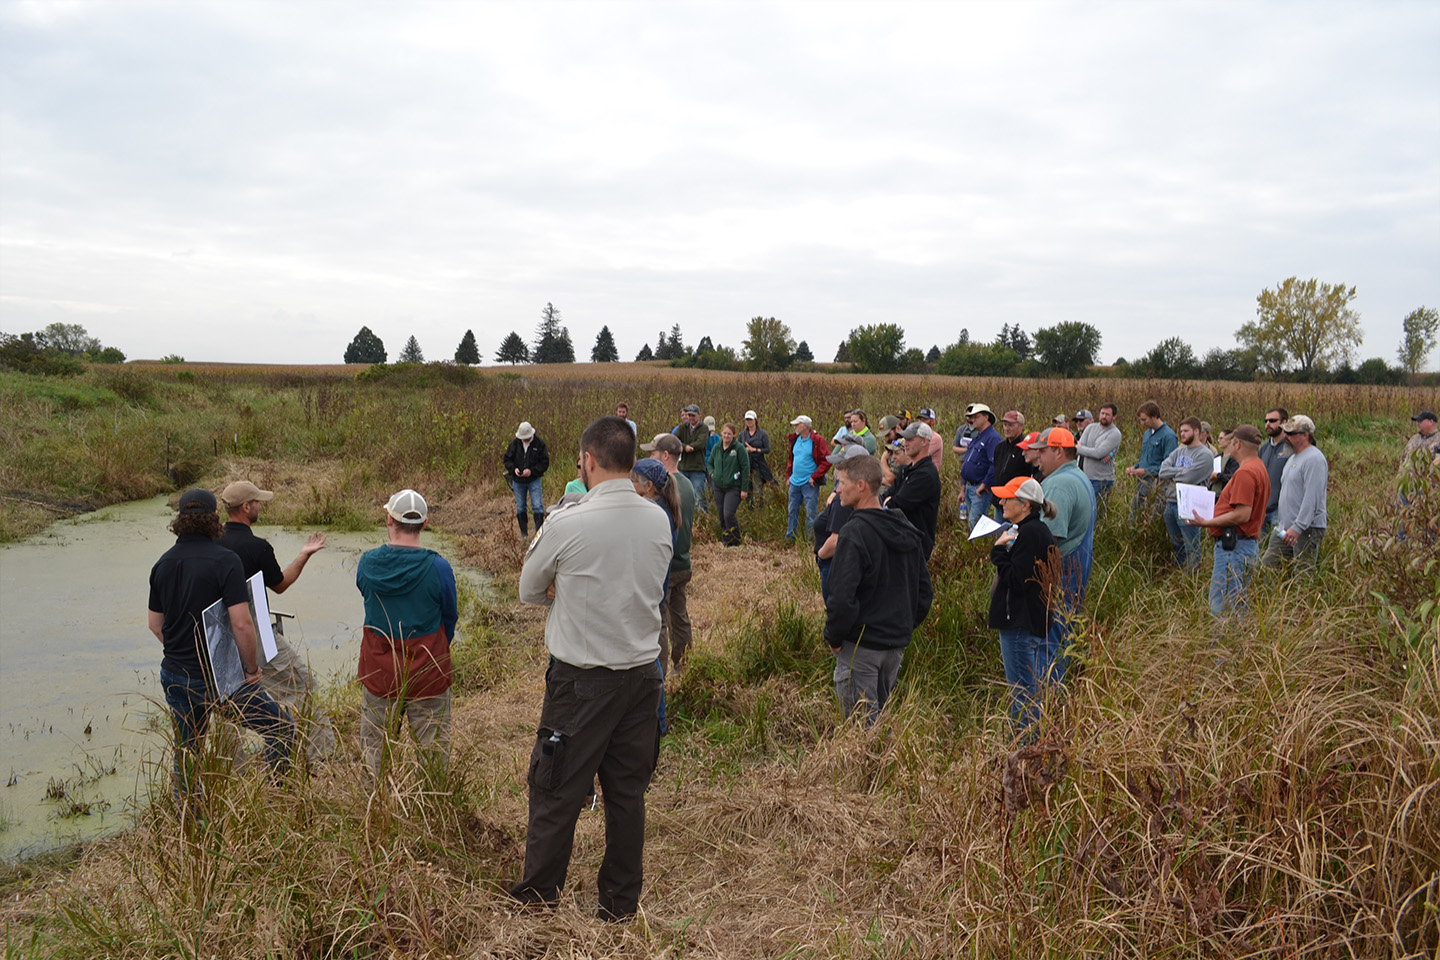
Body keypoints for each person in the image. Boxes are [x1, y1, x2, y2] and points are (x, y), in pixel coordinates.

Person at [512, 416, 671, 922]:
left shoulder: (567, 521)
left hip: (582, 683)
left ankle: (539, 897)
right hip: (644, 677)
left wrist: (569, 590)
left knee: (556, 789)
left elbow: (529, 589)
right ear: (630, 462)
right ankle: (619, 905)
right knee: (627, 795)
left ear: (588, 460)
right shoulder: (657, 518)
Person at [148, 488, 295, 804]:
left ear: (179, 521)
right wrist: (252, 669)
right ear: (215, 517)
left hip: (175, 674)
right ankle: (277, 797)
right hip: (222, 677)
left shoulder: (162, 564)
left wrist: (180, 651)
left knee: (188, 751)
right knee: (280, 728)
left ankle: (190, 818)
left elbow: (155, 625)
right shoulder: (225, 561)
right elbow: (242, 624)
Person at [217, 480, 333, 758]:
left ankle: (231, 767)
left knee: (229, 707)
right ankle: (319, 755)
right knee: (303, 685)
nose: (260, 506)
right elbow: (280, 584)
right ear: (246, 507)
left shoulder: (212, 543)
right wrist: (304, 555)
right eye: (257, 502)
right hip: (258, 638)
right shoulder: (257, 547)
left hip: (220, 643)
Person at [355, 489, 458, 779]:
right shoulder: (439, 567)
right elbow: (449, 616)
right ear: (425, 523)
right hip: (428, 671)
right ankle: (434, 810)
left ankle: (374, 812)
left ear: (389, 519)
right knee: (433, 752)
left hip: (379, 673)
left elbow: (366, 594)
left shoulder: (367, 563)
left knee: (374, 750)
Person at [823, 455, 932, 726]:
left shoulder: (854, 533)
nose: (837, 490)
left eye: (841, 483)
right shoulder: (904, 527)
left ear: (861, 486)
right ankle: (886, 769)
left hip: (861, 647)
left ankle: (868, 771)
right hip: (894, 646)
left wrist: (834, 638)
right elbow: (924, 592)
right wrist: (901, 628)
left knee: (859, 732)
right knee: (880, 725)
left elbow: (841, 597)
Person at [988, 476, 1060, 731]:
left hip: (1019, 623)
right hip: (1029, 620)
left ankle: (1022, 755)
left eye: (1008, 498)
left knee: (1022, 695)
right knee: (1032, 690)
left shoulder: (1030, 534)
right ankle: (1033, 751)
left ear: (1026, 505)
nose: (1001, 502)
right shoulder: (1032, 531)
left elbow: (1020, 581)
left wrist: (998, 553)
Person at [1186, 425, 1269, 622]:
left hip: (1234, 547)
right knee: (1238, 601)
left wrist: (1207, 522)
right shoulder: (1259, 467)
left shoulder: (1245, 473)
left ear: (1237, 444)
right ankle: (1237, 648)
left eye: (1231, 442)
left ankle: (1222, 651)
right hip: (1244, 545)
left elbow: (1242, 514)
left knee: (1223, 604)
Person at [1034, 428, 1096, 685]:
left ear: (1058, 451)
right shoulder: (1078, 476)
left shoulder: (1059, 484)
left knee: (1051, 635)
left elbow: (1048, 539)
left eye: (1042, 451)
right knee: (1065, 633)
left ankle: (1046, 699)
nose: (1037, 457)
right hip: (1076, 566)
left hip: (1062, 570)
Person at [640, 433, 696, 670]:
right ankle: (684, 664)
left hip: (667, 567)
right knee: (680, 617)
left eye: (653, 453)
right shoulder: (687, 484)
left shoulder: (664, 490)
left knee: (661, 621)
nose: (651, 457)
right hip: (683, 563)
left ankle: (659, 671)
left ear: (665, 456)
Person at [1260, 415, 1328, 571]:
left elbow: (1312, 498)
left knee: (1303, 572)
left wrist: (1298, 527)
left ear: (1305, 435)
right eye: (1285, 433)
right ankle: (1274, 596)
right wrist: (1283, 526)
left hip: (1306, 529)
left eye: (1291, 434)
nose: (1286, 437)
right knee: (1268, 568)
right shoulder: (1292, 458)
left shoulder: (1314, 459)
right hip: (1284, 528)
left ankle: (1303, 596)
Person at [814, 440, 869, 599]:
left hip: (834, 563)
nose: (837, 470)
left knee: (836, 608)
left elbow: (837, 539)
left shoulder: (843, 500)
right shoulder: (863, 496)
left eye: (841, 465)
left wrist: (821, 555)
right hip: (845, 563)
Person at [1158, 417, 1214, 569]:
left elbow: (1188, 478)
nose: (1182, 434)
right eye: (1181, 431)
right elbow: (1162, 471)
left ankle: (1192, 578)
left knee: (1191, 545)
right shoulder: (1179, 450)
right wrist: (1179, 471)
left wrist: (1175, 475)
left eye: (1186, 431)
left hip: (1191, 506)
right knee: (1177, 544)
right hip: (1171, 503)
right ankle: (1178, 573)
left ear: (1196, 431)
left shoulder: (1205, 455)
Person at [887, 421, 941, 558]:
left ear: (924, 442)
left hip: (916, 546)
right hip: (901, 541)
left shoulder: (926, 475)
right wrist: (888, 500)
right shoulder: (906, 470)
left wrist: (889, 501)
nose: (906, 443)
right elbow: (886, 496)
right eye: (905, 439)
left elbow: (895, 506)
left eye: (910, 439)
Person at [1126, 401, 1177, 520]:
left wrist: (1145, 471)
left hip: (1157, 488)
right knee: (1133, 517)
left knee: (1152, 520)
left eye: (1144, 420)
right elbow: (1146, 458)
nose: (1142, 423)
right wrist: (1135, 468)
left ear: (1154, 417)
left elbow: (1168, 466)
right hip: (1142, 486)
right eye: (1141, 420)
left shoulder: (1169, 436)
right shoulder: (1147, 434)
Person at [784, 415, 831, 541]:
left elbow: (827, 460)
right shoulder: (795, 440)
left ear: (805, 426)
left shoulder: (817, 440)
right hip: (794, 482)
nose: (795, 427)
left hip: (809, 484)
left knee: (811, 512)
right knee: (792, 510)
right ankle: (790, 537)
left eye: (797, 424)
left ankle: (810, 539)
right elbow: (791, 459)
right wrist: (789, 476)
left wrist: (814, 477)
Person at [960, 404, 1003, 529]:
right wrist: (963, 487)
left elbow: (994, 463)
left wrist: (984, 484)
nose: (973, 420)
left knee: (976, 524)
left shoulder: (993, 438)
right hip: (969, 487)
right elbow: (968, 461)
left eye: (976, 417)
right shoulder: (977, 437)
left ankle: (976, 548)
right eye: (972, 417)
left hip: (979, 489)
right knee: (970, 523)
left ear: (986, 417)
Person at [504, 421, 550, 538]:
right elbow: (507, 459)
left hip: (534, 480)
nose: (524, 440)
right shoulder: (515, 444)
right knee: (520, 507)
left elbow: (545, 462)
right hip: (518, 482)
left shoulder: (539, 444)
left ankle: (538, 535)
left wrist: (532, 471)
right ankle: (524, 535)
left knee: (537, 505)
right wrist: (513, 469)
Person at [707, 422, 750, 546]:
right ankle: (726, 539)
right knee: (721, 514)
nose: (726, 436)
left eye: (729, 434)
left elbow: (745, 468)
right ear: (721, 433)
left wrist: (744, 489)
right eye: (724, 433)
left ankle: (735, 540)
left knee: (728, 514)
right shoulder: (717, 447)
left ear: (734, 435)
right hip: (718, 487)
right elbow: (710, 463)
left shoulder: (739, 449)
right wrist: (712, 474)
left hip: (733, 487)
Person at [1077, 403, 1122, 511]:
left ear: (1114, 417)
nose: (1104, 416)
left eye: (1107, 414)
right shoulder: (1091, 427)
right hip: (1085, 477)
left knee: (1097, 512)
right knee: (1084, 511)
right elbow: (1080, 447)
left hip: (1102, 480)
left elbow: (1098, 453)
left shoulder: (1115, 433)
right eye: (1102, 413)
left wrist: (1081, 449)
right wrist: (1084, 449)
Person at [990, 411, 1034, 510]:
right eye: (1005, 425)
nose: (1006, 428)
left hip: (1016, 503)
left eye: (1011, 425)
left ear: (1021, 426)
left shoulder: (1026, 449)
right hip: (999, 501)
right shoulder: (1000, 447)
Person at [1257, 408, 1291, 534]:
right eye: (1266, 421)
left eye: (1272, 420)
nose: (1268, 424)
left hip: (1280, 510)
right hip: (1262, 509)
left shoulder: (1290, 447)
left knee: (1278, 550)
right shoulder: (1264, 447)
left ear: (1284, 422)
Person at [675, 404, 710, 513]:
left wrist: (691, 447)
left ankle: (702, 522)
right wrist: (685, 447)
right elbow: (674, 439)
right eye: (689, 415)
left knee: (699, 497)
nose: (691, 418)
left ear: (699, 415)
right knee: (681, 496)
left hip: (697, 468)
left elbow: (701, 442)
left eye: (693, 415)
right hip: (683, 467)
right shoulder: (682, 427)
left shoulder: (704, 428)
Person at [739, 411, 775, 506]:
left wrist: (754, 450)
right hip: (746, 466)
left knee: (757, 491)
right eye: (747, 420)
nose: (749, 421)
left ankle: (759, 512)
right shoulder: (742, 435)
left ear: (755, 420)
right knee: (747, 490)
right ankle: (750, 512)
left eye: (751, 419)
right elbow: (738, 448)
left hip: (758, 465)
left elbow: (767, 449)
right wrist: (744, 450)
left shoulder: (762, 434)